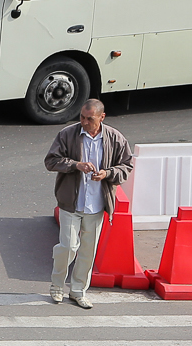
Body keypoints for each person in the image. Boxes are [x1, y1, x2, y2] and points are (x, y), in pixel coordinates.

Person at [44, 99, 134, 309]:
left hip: (96, 205)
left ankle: (78, 291)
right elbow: (51, 161)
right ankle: (57, 285)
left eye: (89, 119)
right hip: (70, 204)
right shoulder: (68, 134)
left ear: (102, 118)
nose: (84, 122)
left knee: (87, 251)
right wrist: (76, 165)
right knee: (68, 246)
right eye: (82, 117)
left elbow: (126, 166)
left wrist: (108, 173)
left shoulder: (115, 138)